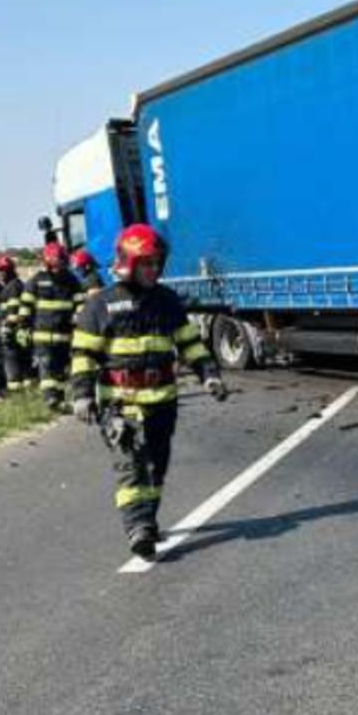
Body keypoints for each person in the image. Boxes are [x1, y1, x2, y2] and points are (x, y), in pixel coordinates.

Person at [70, 224, 226, 559]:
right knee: (131, 467)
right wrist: (82, 395)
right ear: (127, 262)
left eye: (157, 263)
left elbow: (189, 344)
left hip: (162, 404)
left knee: (156, 468)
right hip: (120, 406)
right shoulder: (98, 306)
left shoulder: (167, 301)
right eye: (146, 263)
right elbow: (84, 356)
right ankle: (137, 528)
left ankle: (148, 519)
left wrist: (209, 375)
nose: (153, 269)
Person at [24, 242, 83, 411]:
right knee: (46, 367)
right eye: (54, 265)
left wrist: (78, 316)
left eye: (61, 264)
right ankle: (51, 399)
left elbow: (80, 302)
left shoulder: (71, 281)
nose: (57, 269)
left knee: (59, 369)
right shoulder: (36, 280)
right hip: (42, 335)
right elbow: (26, 303)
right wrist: (22, 324)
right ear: (47, 264)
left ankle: (58, 399)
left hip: (63, 335)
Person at [0, 254, 35, 397]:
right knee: (24, 360)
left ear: (10, 271)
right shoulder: (17, 285)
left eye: (2, 271)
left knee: (12, 359)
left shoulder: (12, 288)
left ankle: (15, 390)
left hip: (15, 331)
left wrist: (6, 328)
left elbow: (13, 313)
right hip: (22, 330)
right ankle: (28, 389)